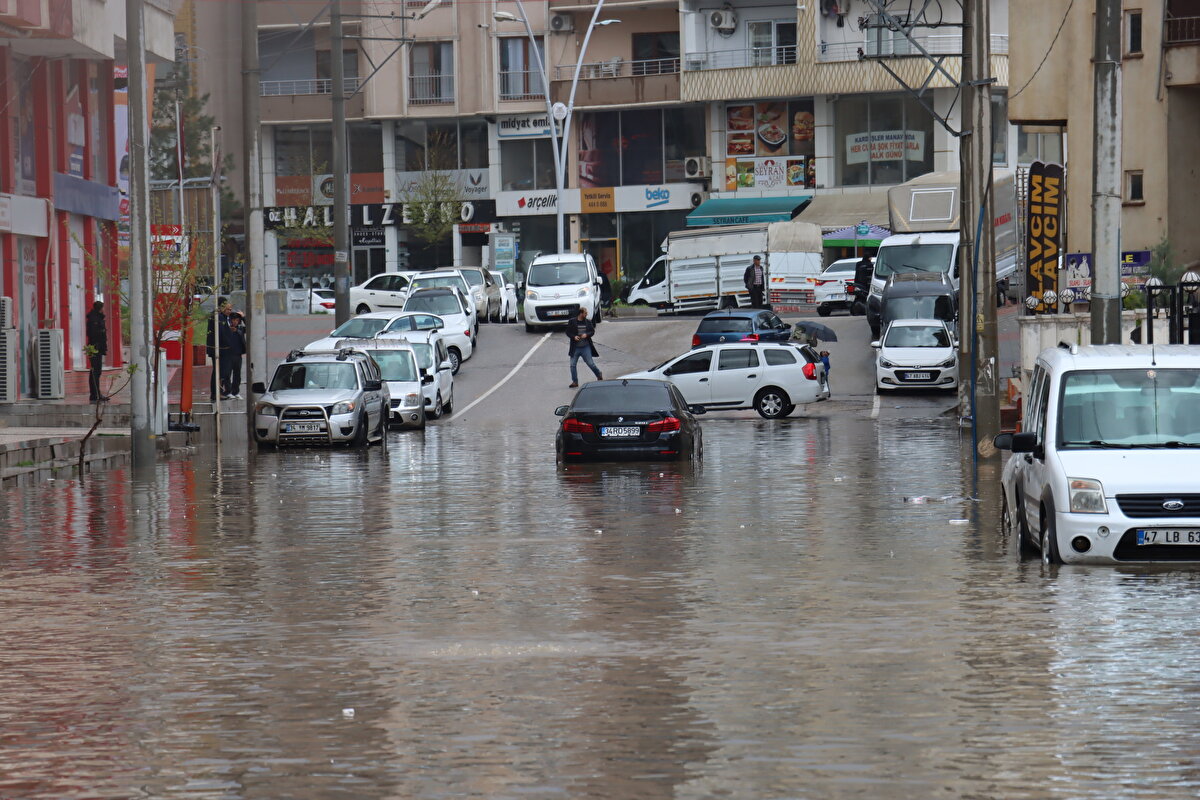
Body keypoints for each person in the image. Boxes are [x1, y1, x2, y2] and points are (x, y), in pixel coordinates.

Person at [565, 307, 603, 388]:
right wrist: (574, 337)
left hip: (585, 347)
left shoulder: (588, 322)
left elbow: (592, 331)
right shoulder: (572, 321)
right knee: (572, 365)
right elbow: (568, 332)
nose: (587, 314)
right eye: (585, 313)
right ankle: (575, 381)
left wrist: (587, 335)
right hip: (575, 348)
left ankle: (598, 374)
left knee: (590, 363)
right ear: (581, 313)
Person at [205, 297, 235, 401]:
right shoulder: (218, 316)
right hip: (220, 349)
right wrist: (230, 343)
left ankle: (218, 392)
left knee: (219, 371)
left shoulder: (218, 315)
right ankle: (217, 392)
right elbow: (221, 333)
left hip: (218, 348)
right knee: (220, 372)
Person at [85, 300, 109, 402]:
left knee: (96, 371)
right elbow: (95, 334)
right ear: (100, 308)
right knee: (95, 371)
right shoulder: (95, 319)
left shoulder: (95, 318)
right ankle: (95, 395)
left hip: (96, 348)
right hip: (95, 348)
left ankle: (96, 393)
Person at [228, 311, 247, 399]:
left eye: (237, 320)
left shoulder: (241, 329)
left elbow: (250, 327)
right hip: (228, 354)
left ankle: (235, 392)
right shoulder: (226, 328)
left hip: (238, 354)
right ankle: (228, 391)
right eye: (233, 320)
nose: (235, 322)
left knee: (237, 374)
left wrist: (243, 317)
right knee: (227, 374)